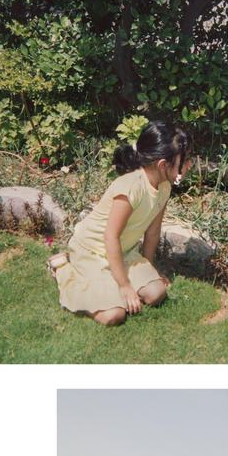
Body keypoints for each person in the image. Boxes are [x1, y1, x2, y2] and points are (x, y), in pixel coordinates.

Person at [47, 120, 192, 326]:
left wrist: (148, 268)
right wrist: (124, 285)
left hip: (121, 250)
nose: (188, 166)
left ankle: (113, 280)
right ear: (162, 165)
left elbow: (153, 232)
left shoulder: (165, 187)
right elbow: (110, 236)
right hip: (92, 251)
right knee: (113, 315)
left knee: (156, 293)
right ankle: (63, 268)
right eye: (183, 161)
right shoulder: (130, 187)